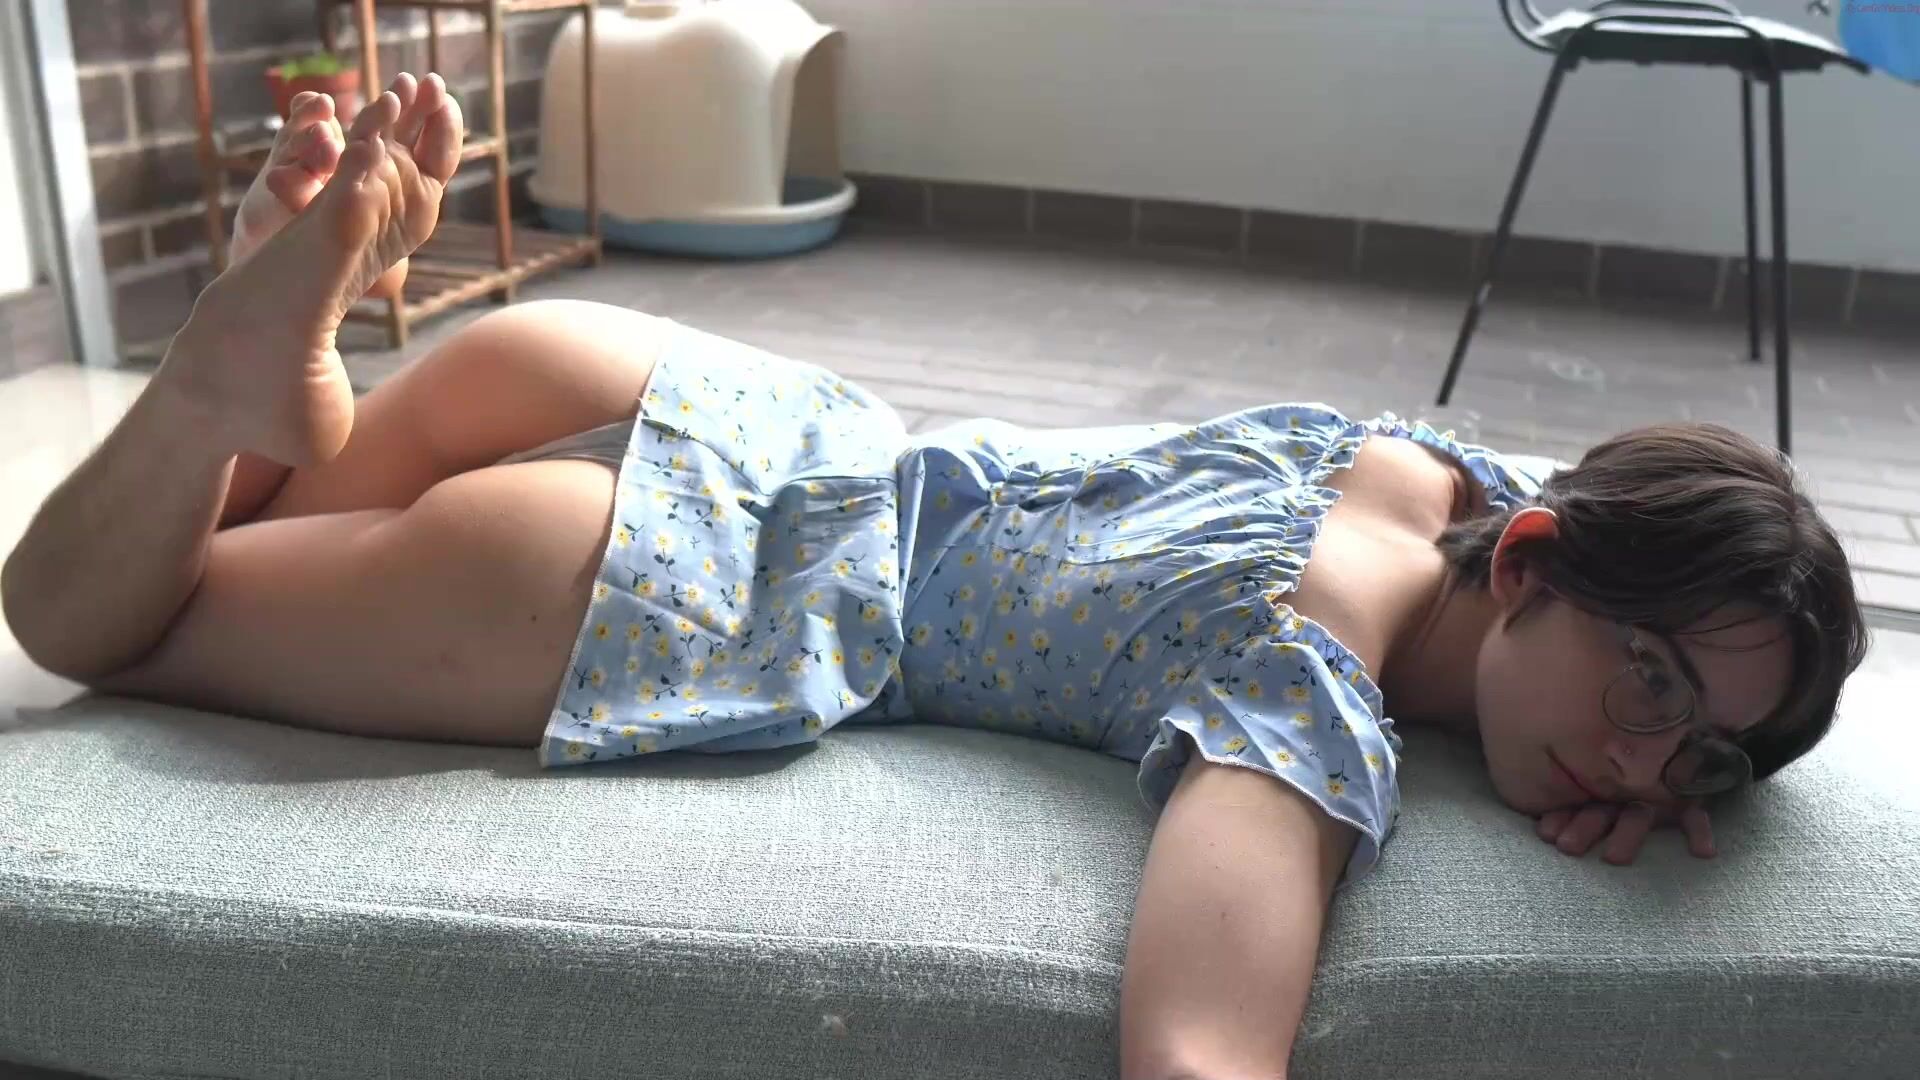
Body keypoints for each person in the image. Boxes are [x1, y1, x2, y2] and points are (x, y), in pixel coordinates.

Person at [0, 73, 1869, 1079]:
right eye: (1651, 689)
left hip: (702, 397)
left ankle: (244, 379)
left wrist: (1644, 726)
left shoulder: (1432, 473)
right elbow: (1195, 1046)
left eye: (1705, 755)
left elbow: (1630, 537)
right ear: (1531, 565)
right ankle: (225, 389)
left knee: (227, 530)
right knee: (106, 628)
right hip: (672, 583)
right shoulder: (1309, 681)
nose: (1649, 764)